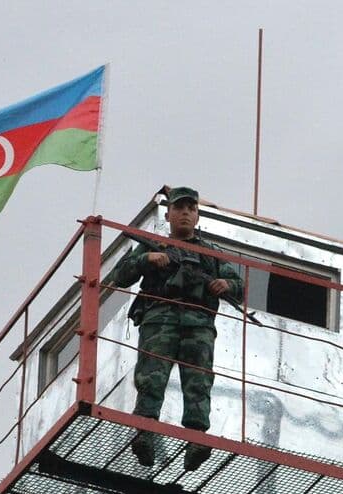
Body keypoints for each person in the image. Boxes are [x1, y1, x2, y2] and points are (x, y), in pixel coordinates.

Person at [104, 186, 244, 469]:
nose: (185, 213)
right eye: (179, 208)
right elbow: (118, 276)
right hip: (160, 319)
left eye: (191, 209)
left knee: (198, 381)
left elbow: (240, 287)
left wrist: (226, 284)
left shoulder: (211, 254)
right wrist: (147, 259)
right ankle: (144, 432)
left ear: (197, 216)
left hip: (198, 323)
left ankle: (196, 438)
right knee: (151, 378)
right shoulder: (152, 244)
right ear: (168, 215)